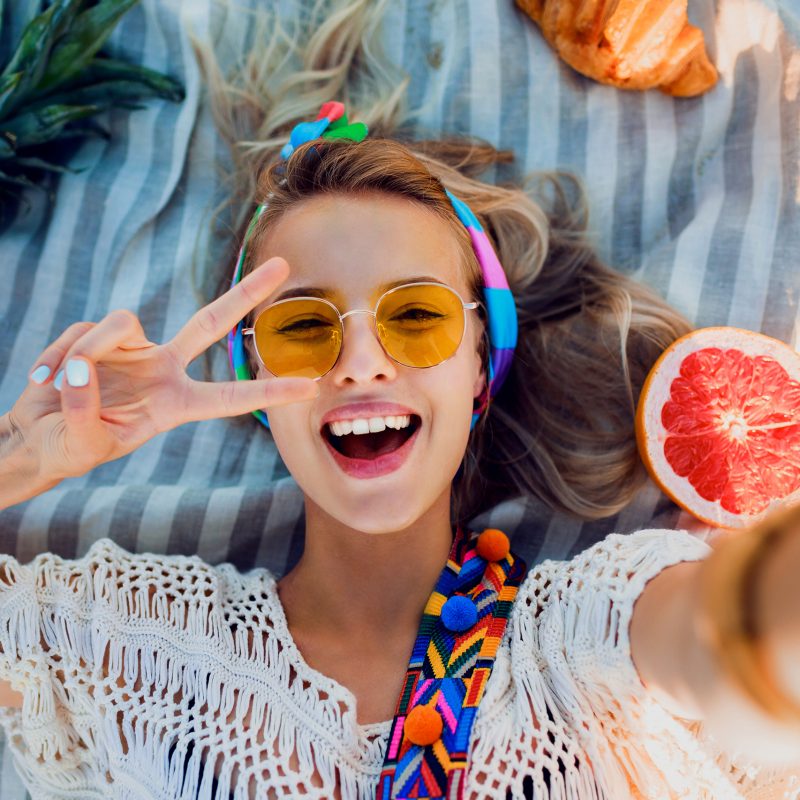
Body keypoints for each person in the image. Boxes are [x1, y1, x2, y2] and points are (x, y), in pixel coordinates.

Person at [0, 93, 799, 799]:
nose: (360, 363)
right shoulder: (146, 650)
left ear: (480, 363)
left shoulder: (589, 634)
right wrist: (29, 458)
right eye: (303, 327)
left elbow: (739, 634)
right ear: (255, 379)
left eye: (416, 317)